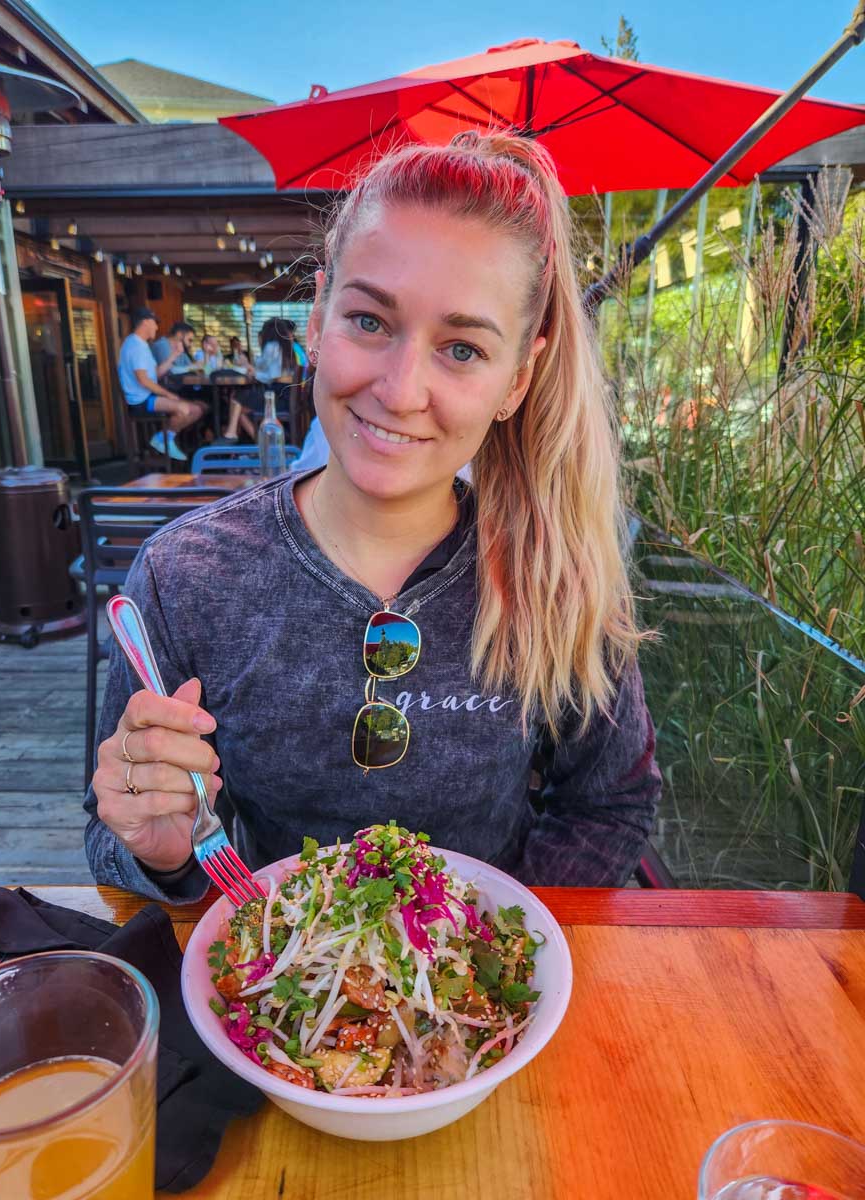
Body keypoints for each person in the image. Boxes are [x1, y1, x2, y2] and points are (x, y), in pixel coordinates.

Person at [86, 131, 661, 904]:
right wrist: (162, 851)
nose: (399, 389)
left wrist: (492, 948)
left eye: (461, 350)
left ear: (518, 379)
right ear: (319, 316)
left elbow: (611, 802)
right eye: (369, 321)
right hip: (271, 984)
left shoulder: (555, 571)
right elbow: (108, 836)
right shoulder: (186, 576)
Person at [116, 307, 206, 462]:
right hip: (141, 401)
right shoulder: (135, 346)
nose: (157, 328)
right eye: (154, 323)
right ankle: (162, 440)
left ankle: (165, 438)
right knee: (184, 409)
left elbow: (155, 373)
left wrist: (174, 355)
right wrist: (167, 394)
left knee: (196, 410)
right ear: (145, 322)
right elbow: (143, 380)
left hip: (149, 396)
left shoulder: (141, 344)